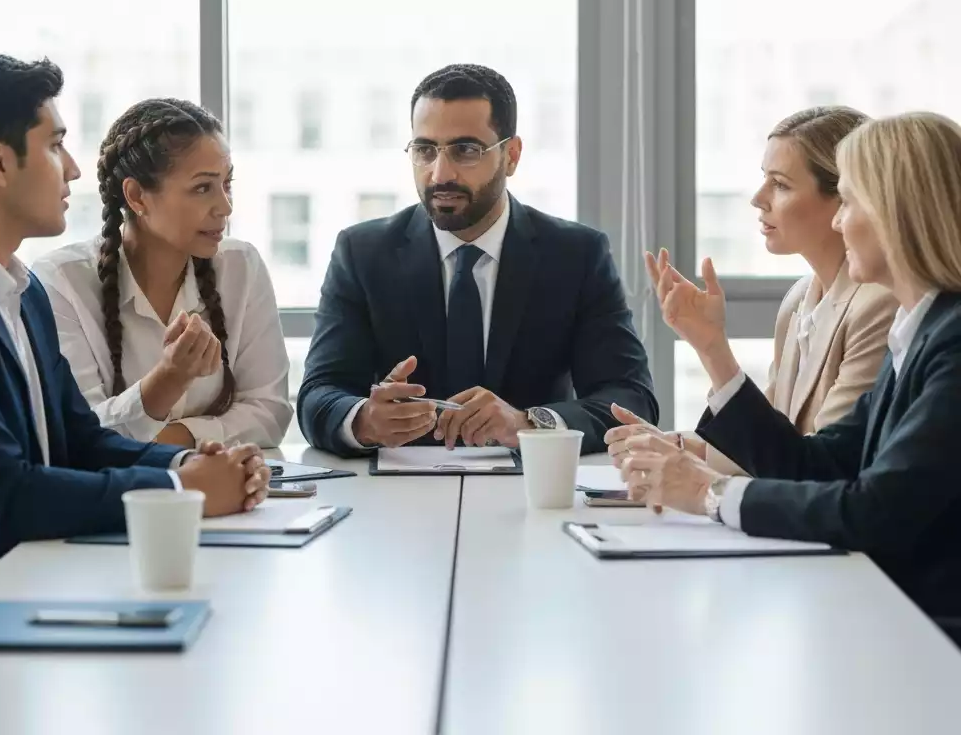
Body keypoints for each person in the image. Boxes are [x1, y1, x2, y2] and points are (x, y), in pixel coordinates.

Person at [613, 112, 961, 641]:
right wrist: (710, 348)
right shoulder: (920, 333)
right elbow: (814, 462)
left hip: (924, 632)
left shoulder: (950, 341)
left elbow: (874, 510)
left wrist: (709, 494)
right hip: (887, 612)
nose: (840, 224)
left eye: (850, 202)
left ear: (898, 213)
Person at [0, 55, 270, 605]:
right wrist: (179, 490)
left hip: (38, 584)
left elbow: (79, 441)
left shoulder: (23, 292)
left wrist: (191, 464)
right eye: (53, 145)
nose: (71, 168)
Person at [297, 63, 657, 457]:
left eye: (465, 150)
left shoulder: (575, 255)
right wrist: (363, 419)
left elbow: (631, 399)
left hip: (529, 491)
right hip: (397, 493)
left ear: (512, 156)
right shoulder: (363, 253)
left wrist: (528, 423)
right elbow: (319, 393)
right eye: (425, 150)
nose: (440, 173)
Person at [615, 106, 897, 473]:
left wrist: (715, 351)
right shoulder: (799, 300)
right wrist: (676, 445)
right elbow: (769, 440)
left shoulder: (880, 306)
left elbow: (819, 467)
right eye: (764, 178)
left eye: (780, 184)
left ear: (843, 198)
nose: (757, 197)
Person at [32, 98, 292, 450]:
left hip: (231, 488)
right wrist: (169, 379)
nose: (225, 207)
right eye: (203, 188)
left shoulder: (241, 266)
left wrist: (175, 439)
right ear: (137, 196)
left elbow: (270, 411)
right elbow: (81, 435)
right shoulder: (61, 281)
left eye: (226, 184)